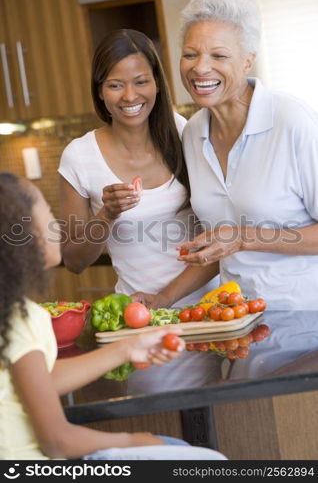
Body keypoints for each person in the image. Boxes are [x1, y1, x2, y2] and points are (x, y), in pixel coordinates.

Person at [0, 172, 228, 461]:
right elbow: (58, 442)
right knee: (211, 462)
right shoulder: (19, 318)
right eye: (46, 212)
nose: (56, 225)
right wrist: (134, 439)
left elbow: (40, 380)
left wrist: (128, 348)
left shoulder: (12, 314)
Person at [58, 29, 221, 394]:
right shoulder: (79, 156)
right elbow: (74, 261)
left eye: (141, 82)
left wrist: (166, 298)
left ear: (158, 84)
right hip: (142, 326)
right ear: (99, 90)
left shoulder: (187, 134)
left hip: (211, 316)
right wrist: (107, 216)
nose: (130, 96)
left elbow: (219, 234)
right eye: (115, 85)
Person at [136, 0, 318, 313]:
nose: (200, 68)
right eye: (190, 54)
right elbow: (220, 243)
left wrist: (244, 237)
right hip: (239, 321)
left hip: (306, 321)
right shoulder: (192, 133)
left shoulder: (292, 121)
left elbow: (235, 237)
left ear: (248, 60)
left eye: (218, 56)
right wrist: (162, 299)